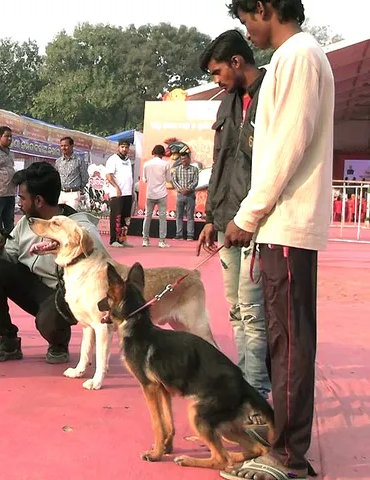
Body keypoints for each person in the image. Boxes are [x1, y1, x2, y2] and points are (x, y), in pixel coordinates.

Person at [221, 1, 334, 479]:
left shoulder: (298, 56)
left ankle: (288, 458)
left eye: (246, 19)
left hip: (284, 224)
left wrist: (247, 215)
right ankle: (284, 443)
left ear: (264, 8)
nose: (246, 29)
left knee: (288, 343)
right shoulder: (292, 58)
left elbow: (286, 148)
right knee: (283, 342)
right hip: (280, 226)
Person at [197, 30, 271, 406]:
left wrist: (249, 217)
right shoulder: (226, 103)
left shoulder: (272, 93)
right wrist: (211, 216)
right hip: (226, 221)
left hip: (257, 222)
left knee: (254, 312)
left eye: (217, 72)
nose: (216, 80)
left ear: (237, 62)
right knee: (236, 310)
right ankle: (244, 386)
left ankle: (257, 394)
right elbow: (220, 162)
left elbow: (272, 165)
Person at [0, 161, 102, 364]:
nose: (19, 204)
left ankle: (58, 342)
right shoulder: (27, 222)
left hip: (63, 294)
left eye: (22, 199)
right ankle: (8, 339)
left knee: (47, 321)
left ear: (38, 201)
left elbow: (99, 265)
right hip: (32, 287)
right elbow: (10, 256)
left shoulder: (79, 228)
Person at [105, 139, 134, 247]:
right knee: (116, 218)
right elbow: (108, 175)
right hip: (117, 194)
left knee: (126, 219)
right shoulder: (113, 159)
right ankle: (114, 240)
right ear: (118, 147)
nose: (124, 149)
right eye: (122, 147)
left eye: (126, 147)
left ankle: (122, 239)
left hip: (128, 193)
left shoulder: (128, 160)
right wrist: (116, 187)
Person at [141, 144, 171, 248]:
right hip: (162, 193)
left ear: (153, 152)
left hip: (150, 194)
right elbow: (168, 179)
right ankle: (162, 241)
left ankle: (145, 239)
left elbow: (144, 179)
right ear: (163, 153)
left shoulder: (146, 164)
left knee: (147, 216)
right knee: (162, 218)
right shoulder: (166, 164)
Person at [171, 149, 199, 240]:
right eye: (182, 159)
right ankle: (178, 234)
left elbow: (196, 181)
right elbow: (174, 181)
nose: (183, 160)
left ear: (189, 159)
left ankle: (190, 235)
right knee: (179, 215)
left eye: (185, 159)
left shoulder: (194, 169)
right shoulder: (177, 169)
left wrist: (188, 189)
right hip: (180, 195)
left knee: (190, 216)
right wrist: (181, 189)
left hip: (190, 195)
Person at [55, 136, 90, 210]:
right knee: (58, 218)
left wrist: (78, 189)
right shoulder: (58, 161)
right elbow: (56, 176)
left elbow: (85, 177)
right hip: (61, 194)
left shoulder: (79, 160)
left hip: (73, 194)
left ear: (72, 146)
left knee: (70, 217)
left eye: (65, 146)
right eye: (61, 146)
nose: (63, 148)